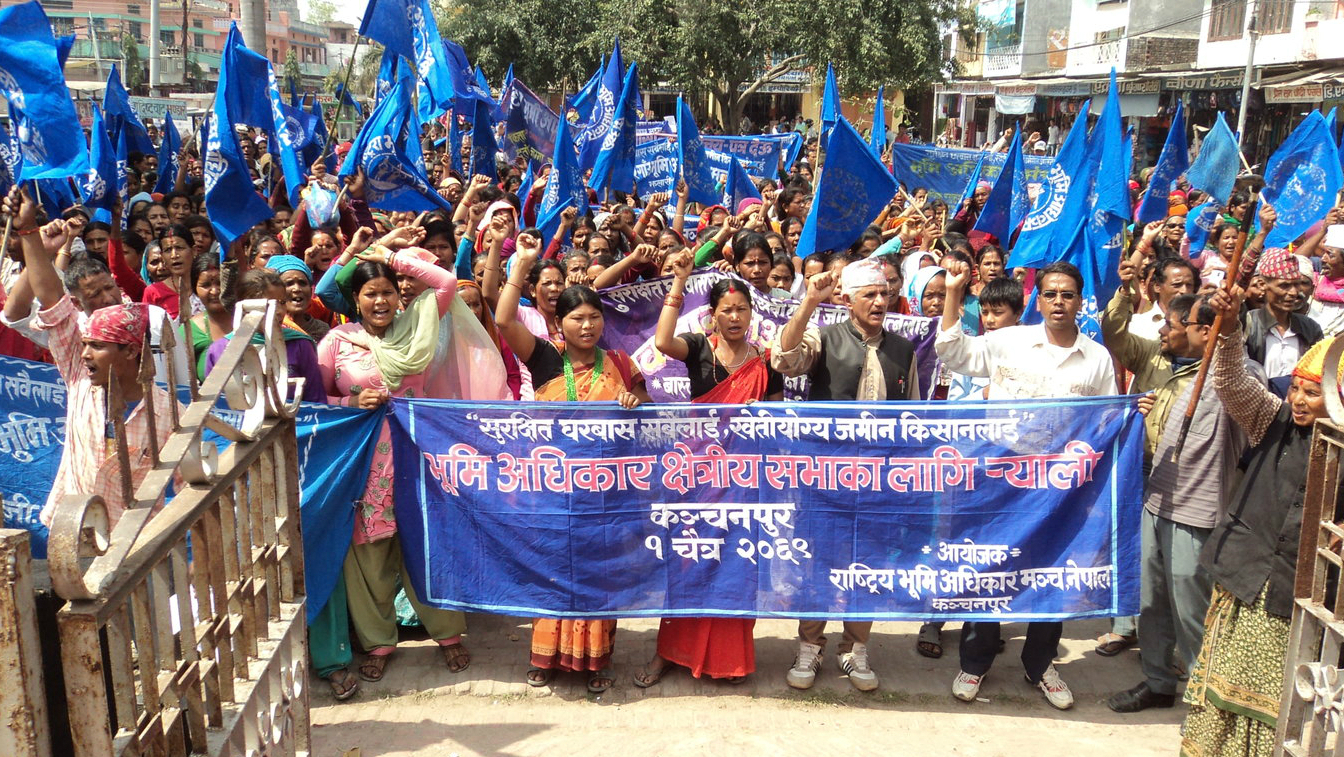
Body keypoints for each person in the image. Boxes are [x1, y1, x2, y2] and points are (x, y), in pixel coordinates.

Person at [937, 259, 1117, 710]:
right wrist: (955, 292)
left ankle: (1041, 664)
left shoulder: (1096, 358)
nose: (1058, 302)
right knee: (991, 566)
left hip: (1061, 486)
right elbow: (953, 352)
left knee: (1051, 572)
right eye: (1050, 294)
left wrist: (1135, 413)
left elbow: (1107, 417)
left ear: (1079, 301)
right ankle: (975, 662)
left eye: (1067, 295)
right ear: (1038, 300)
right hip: (1001, 479)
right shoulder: (1009, 341)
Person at [1178, 286, 1335, 756]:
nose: (1299, 400)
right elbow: (1231, 382)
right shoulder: (1273, 418)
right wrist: (1228, 330)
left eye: (1313, 393)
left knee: (1287, 704)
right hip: (1245, 578)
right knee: (1221, 695)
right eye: (1297, 389)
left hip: (1302, 596)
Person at [495, 230, 651, 694]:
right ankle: (544, 657)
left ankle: (596, 659)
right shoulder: (546, 358)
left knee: (601, 572)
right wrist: (523, 263)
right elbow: (503, 320)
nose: (587, 326)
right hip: (555, 490)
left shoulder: (620, 362)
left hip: (607, 493)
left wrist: (633, 401)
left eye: (594, 317)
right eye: (577, 319)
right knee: (553, 570)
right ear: (560, 325)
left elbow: (645, 412)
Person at [316, 242, 475, 684]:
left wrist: (390, 255)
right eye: (371, 293)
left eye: (388, 291)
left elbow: (445, 282)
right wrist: (348, 401)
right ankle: (379, 642)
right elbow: (315, 400)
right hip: (363, 458)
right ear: (356, 299)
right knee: (368, 551)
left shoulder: (417, 325)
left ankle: (448, 635)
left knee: (425, 541)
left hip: (416, 451)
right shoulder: (337, 342)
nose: (381, 301)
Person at [633, 253, 785, 689]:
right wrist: (679, 282)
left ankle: (728, 659)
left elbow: (775, 420)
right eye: (727, 310)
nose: (735, 317)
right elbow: (663, 342)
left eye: (742, 310)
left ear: (752, 315)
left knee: (737, 564)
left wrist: (760, 414)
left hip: (743, 482)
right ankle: (669, 652)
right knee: (688, 561)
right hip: (697, 477)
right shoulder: (699, 348)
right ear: (713, 315)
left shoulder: (766, 362)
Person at [1105, 293, 1261, 714]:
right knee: (1151, 602)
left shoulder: (1241, 376)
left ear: (1207, 331)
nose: (1165, 330)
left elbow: (1236, 386)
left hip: (1196, 513)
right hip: (1158, 502)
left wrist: (1230, 331)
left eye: (1181, 324)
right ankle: (1158, 681)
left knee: (1191, 610)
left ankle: (1204, 698)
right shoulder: (1184, 376)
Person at [772, 259, 921, 692]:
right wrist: (808, 303)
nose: (879, 301)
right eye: (869, 294)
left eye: (884, 293)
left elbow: (914, 417)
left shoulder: (904, 350)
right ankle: (810, 646)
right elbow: (783, 359)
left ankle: (855, 648)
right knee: (818, 561)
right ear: (848, 300)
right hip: (826, 479)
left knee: (869, 564)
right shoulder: (824, 337)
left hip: (879, 482)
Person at [13, 214, 179, 528]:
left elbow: (189, 492)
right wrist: (29, 232)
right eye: (85, 344)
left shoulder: (168, 414)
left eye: (97, 346)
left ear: (131, 351)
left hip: (138, 542)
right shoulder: (79, 375)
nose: (84, 353)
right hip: (73, 529)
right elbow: (50, 298)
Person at [1243, 249, 1323, 379]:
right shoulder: (1247, 325)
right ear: (1262, 285)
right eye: (1284, 285)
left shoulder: (1310, 328)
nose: (1293, 293)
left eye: (1296, 285)